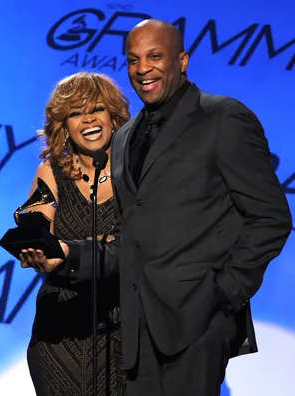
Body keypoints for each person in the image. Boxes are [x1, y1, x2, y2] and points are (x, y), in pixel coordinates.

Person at [110, 19, 292, 396]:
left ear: (183, 60)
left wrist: (224, 291)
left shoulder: (223, 117)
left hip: (199, 322)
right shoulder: (124, 136)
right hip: (137, 328)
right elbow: (134, 225)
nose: (143, 69)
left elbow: (271, 217)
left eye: (155, 57)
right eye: (133, 60)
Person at [19, 71, 130, 396]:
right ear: (63, 126)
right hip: (61, 333)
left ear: (114, 116)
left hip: (125, 327)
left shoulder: (139, 171)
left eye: (96, 109)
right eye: (75, 113)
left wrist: (74, 250)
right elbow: (38, 230)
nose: (88, 120)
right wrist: (37, 249)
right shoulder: (51, 172)